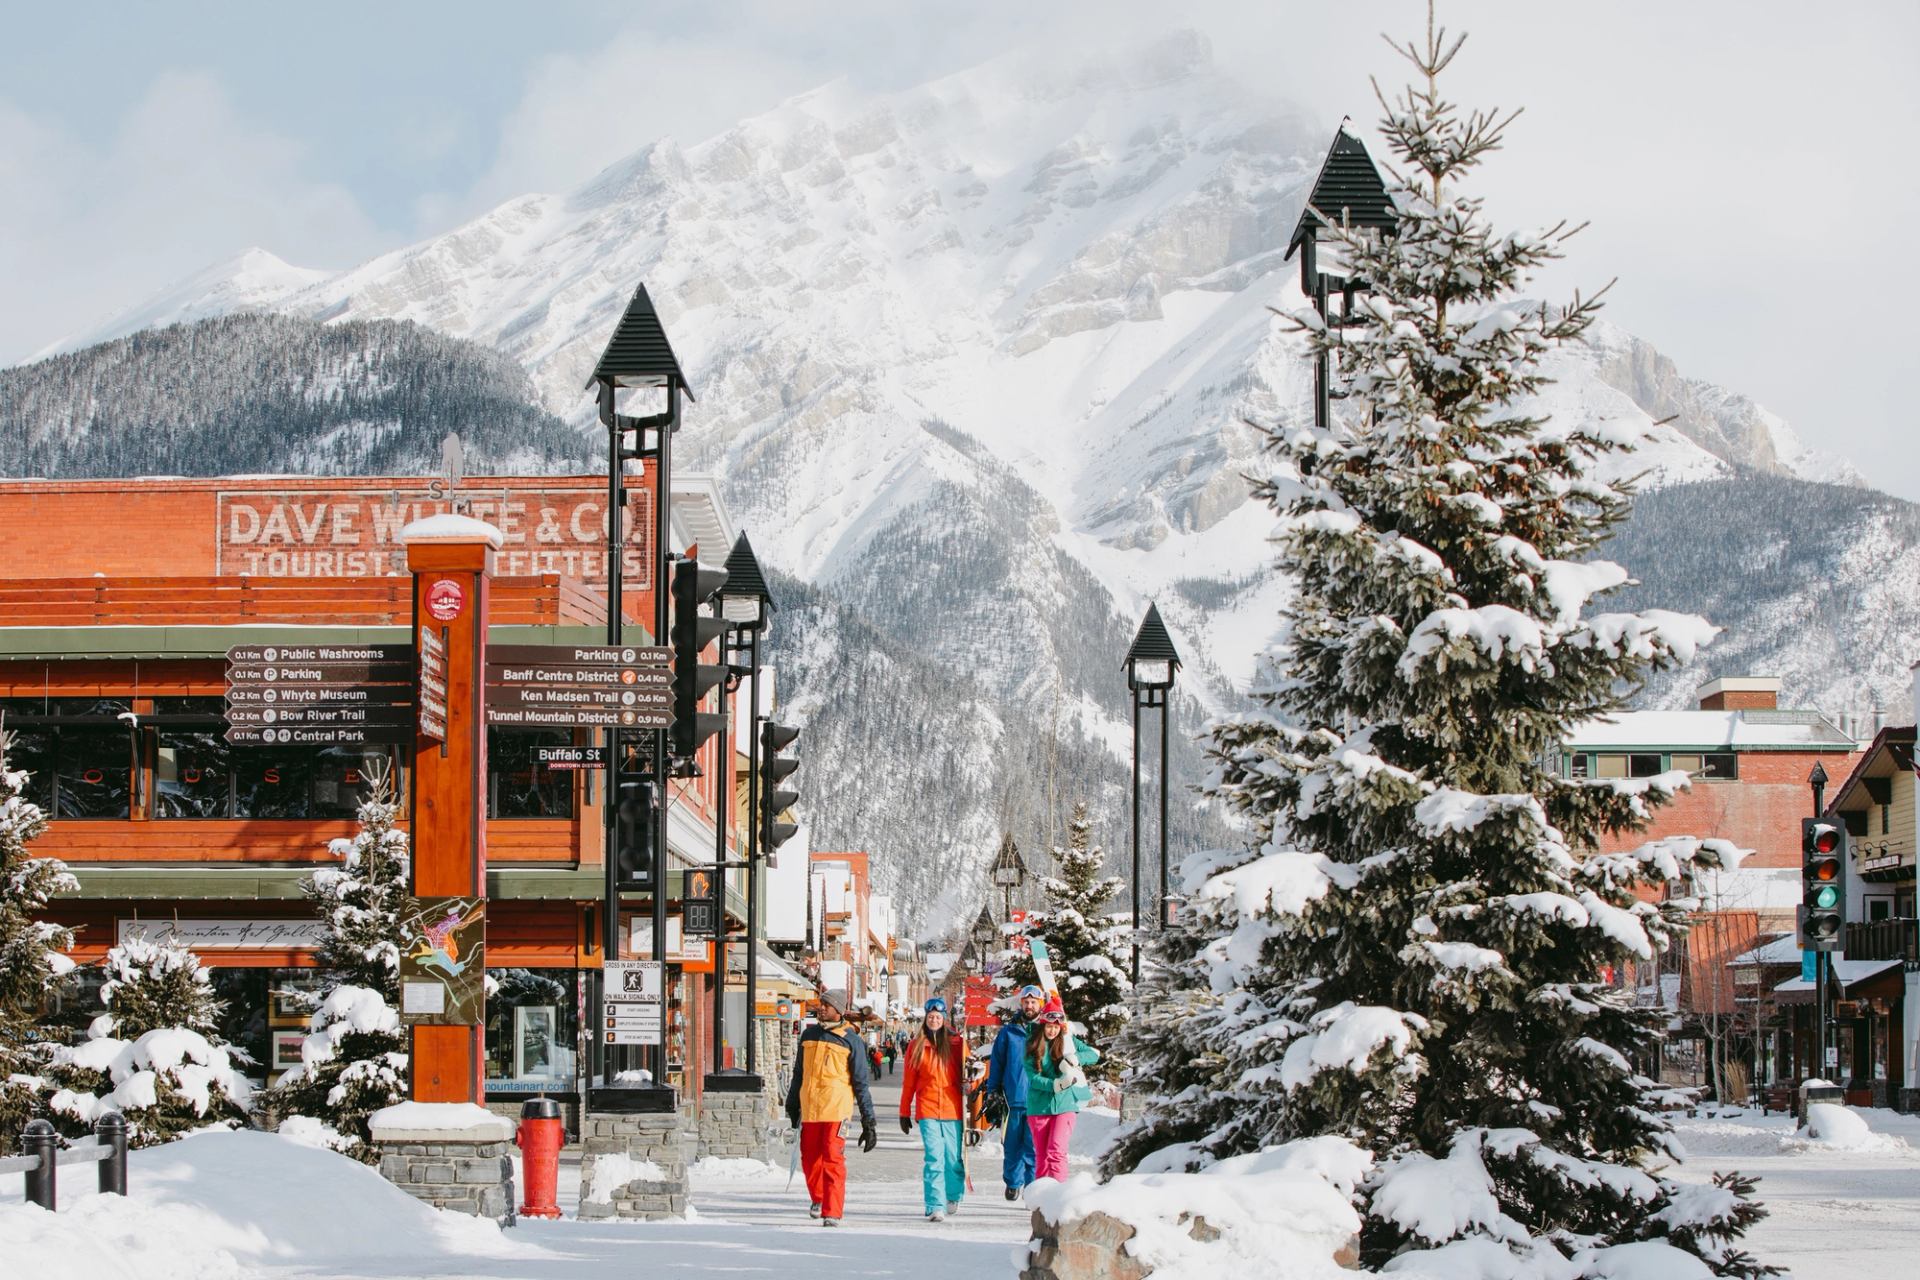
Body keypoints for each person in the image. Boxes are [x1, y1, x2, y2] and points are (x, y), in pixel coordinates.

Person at [784, 989, 877, 1226]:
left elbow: (860, 1083)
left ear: (838, 1009)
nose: (821, 1008)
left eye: (826, 1005)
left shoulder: (851, 1039)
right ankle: (818, 1198)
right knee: (809, 1158)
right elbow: (798, 1073)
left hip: (837, 1110)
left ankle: (832, 1210)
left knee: (832, 1158)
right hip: (811, 1108)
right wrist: (792, 1103)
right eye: (820, 1004)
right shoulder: (808, 1035)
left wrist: (869, 1120)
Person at [898, 996, 970, 1222]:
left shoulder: (957, 1043)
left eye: (938, 1017)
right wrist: (904, 1110)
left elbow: (970, 1073)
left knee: (952, 1158)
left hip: (952, 1108)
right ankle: (933, 1205)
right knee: (933, 1157)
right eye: (931, 1017)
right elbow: (909, 1081)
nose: (934, 1020)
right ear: (925, 1019)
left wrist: (971, 1082)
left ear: (944, 1018)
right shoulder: (917, 1045)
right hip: (927, 1108)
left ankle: (953, 1195)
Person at [1023, 994, 1101, 1182]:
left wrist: (1076, 1058)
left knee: (1056, 1151)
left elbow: (1093, 1054)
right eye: (1049, 1026)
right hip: (1039, 1106)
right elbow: (1033, 1078)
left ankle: (1057, 1194)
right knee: (1042, 1156)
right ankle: (1040, 1200)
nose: (1052, 1031)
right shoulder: (1032, 1045)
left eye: (1056, 1027)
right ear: (1043, 1025)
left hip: (1065, 1105)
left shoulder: (1068, 1042)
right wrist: (1054, 1085)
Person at [982, 984, 1044, 1200]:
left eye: (1033, 1002)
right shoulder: (1009, 1033)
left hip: (1038, 1100)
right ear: (1021, 1004)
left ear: (1039, 1004)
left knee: (1033, 1148)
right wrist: (993, 1091)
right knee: (1011, 1147)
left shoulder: (1046, 1031)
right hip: (1012, 1099)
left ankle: (1031, 1189)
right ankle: (1012, 1182)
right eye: (1026, 1002)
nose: (1029, 1006)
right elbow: (997, 1064)